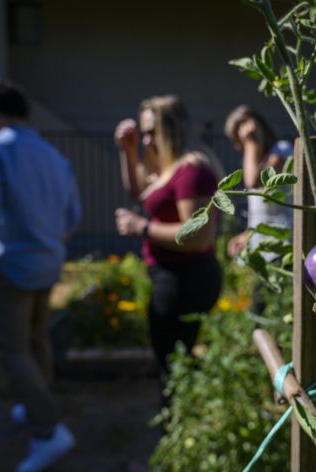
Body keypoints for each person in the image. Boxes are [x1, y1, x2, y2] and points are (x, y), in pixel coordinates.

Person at [0, 79, 82, 472]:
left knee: (13, 348)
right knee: (36, 339)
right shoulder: (53, 155)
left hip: (12, 267)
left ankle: (48, 429)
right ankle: (36, 406)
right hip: (48, 262)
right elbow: (72, 219)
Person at [114, 95, 222, 384]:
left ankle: (178, 421)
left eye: (152, 133)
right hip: (172, 275)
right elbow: (140, 192)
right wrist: (128, 151)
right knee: (171, 361)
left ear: (172, 130)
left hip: (187, 278)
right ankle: (177, 418)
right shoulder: (170, 170)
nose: (147, 141)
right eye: (144, 133)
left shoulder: (192, 171)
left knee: (174, 363)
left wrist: (142, 227)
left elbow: (198, 236)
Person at [224, 105, 293, 313]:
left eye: (239, 140)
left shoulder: (280, 151)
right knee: (261, 304)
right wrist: (246, 235)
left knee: (266, 306)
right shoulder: (260, 159)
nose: (239, 147)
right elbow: (263, 214)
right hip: (264, 248)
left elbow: (254, 181)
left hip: (282, 246)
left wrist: (251, 143)